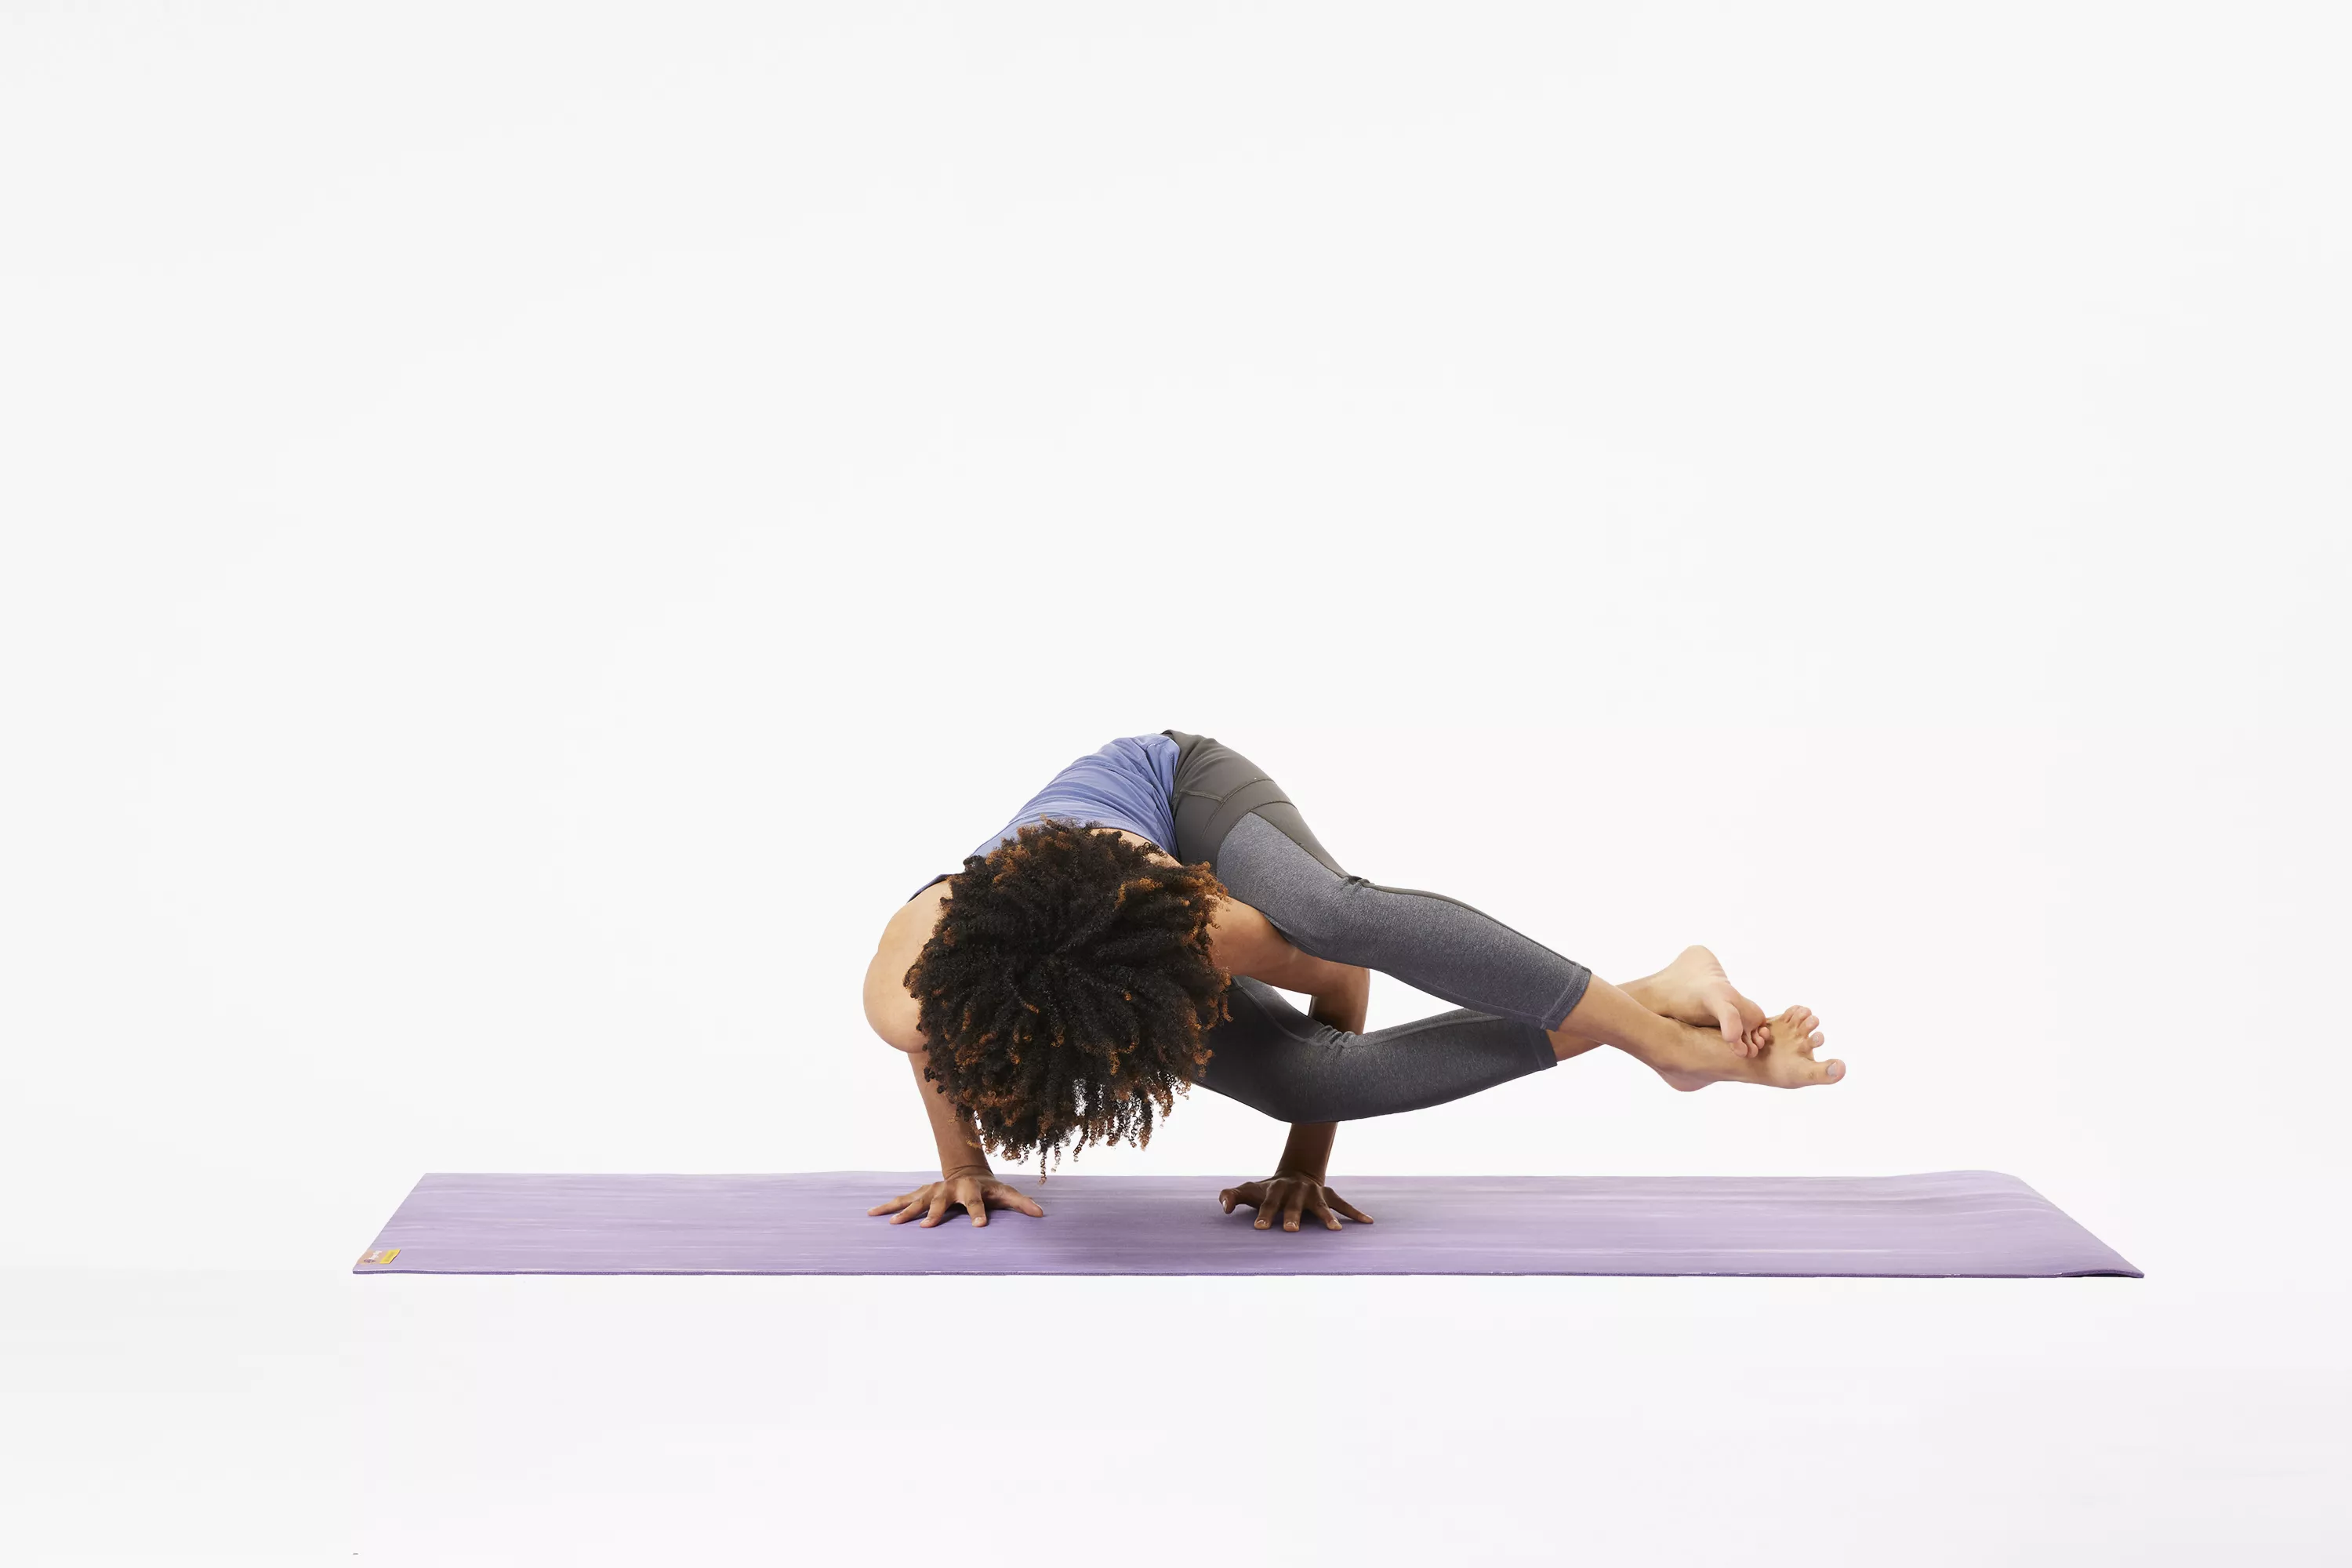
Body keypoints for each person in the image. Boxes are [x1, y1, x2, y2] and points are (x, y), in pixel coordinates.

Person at [861, 731, 1842, 1236]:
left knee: (1332, 911)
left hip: (1176, 787)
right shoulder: (909, 987)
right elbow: (935, 1042)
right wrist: (965, 1163)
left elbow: (1343, 975)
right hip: (1060, 919)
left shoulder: (1204, 931)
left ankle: (1664, 1040)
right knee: (1306, 1082)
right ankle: (1660, 987)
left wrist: (1307, 1165)